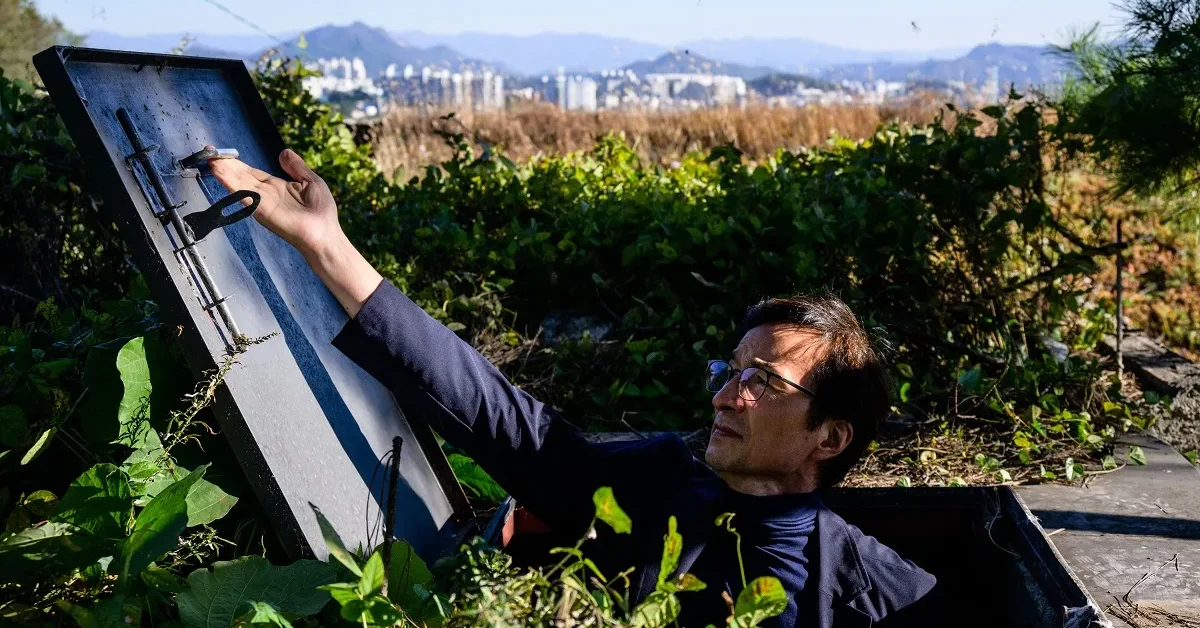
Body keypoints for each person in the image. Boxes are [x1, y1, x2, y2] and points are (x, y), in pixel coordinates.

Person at [210, 148, 940, 628]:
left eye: (762, 382)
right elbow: (499, 416)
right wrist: (325, 243)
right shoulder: (652, 487)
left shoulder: (874, 590)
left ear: (831, 436)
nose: (725, 395)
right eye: (728, 372)